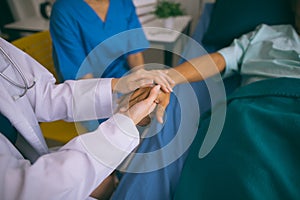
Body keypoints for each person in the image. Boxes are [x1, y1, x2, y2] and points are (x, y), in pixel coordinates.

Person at [112, 0, 300, 199]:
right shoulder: (264, 36)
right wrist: (165, 80)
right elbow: (216, 60)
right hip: (252, 116)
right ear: (294, 6)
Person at [0, 37, 174, 200]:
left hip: (42, 162)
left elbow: (43, 96)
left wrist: (117, 85)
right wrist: (122, 126)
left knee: (113, 181)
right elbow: (29, 189)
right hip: (40, 186)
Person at [49, 0, 149, 81]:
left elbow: (134, 54)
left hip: (125, 78)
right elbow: (82, 75)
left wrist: (142, 84)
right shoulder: (64, 9)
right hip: (90, 89)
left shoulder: (123, 3)